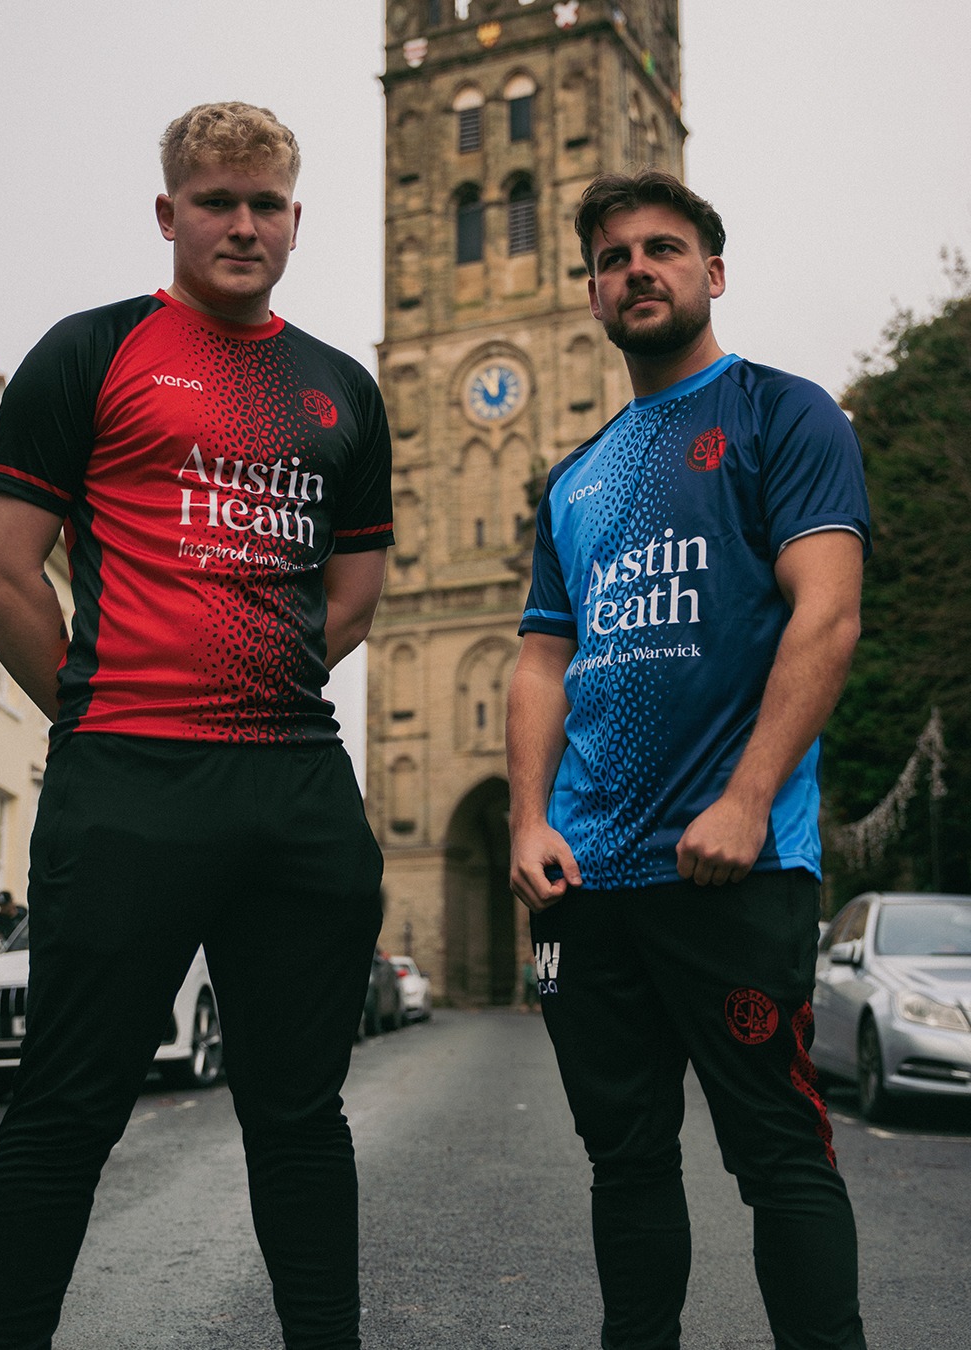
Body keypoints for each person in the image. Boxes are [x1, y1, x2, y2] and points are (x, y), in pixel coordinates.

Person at [0, 102, 392, 1350]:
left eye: (266, 203)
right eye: (217, 201)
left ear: (296, 221)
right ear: (170, 214)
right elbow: (0, 569)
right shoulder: (93, 352)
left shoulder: (340, 389)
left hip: (299, 796)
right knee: (67, 1109)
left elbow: (353, 597)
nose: (243, 224)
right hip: (129, 785)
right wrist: (97, 715)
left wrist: (251, 686)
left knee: (302, 1116)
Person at [507, 169, 870, 1350]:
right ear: (596, 293)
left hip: (734, 866)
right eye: (614, 258)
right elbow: (541, 663)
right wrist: (527, 821)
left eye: (663, 250)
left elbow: (827, 615)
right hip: (589, 883)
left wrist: (749, 799)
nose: (637, 271)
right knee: (624, 1164)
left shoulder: (783, 411)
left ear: (712, 273)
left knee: (777, 1151)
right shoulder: (575, 477)